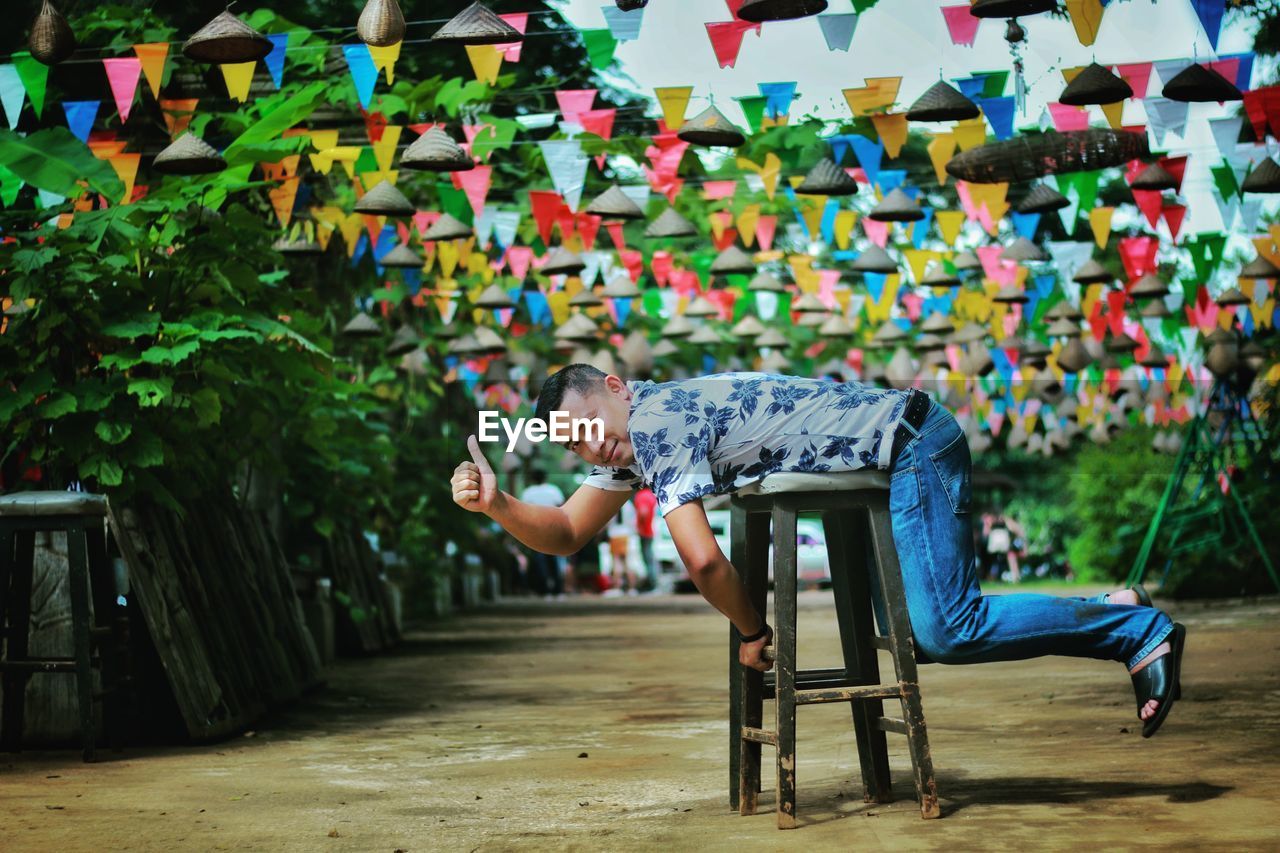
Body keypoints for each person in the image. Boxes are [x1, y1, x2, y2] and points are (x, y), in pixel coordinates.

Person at [452, 366, 1185, 739]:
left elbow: (704, 562)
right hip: (894, 455)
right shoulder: (629, 442)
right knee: (919, 638)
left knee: (945, 630)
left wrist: (751, 632)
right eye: (579, 446)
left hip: (912, 445)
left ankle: (1140, 633)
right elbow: (567, 530)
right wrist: (497, 503)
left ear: (616, 388)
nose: (598, 448)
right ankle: (1114, 608)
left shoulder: (658, 418)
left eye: (594, 428)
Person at [518, 469, 565, 598]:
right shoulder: (553, 490)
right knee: (555, 560)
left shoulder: (528, 493)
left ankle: (545, 590)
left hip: (537, 530)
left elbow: (524, 512)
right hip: (554, 529)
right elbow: (562, 506)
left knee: (541, 562)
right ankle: (558, 590)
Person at [605, 501, 638, 596]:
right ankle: (632, 588)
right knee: (628, 562)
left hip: (614, 534)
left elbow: (608, 521)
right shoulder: (628, 504)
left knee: (616, 562)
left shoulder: (612, 503)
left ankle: (617, 587)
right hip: (626, 534)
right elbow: (633, 520)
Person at [634, 487, 658, 591]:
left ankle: (651, 584)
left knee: (647, 558)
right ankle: (653, 582)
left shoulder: (641, 495)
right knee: (650, 558)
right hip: (650, 530)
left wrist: (640, 527)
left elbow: (643, 512)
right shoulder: (651, 494)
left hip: (644, 531)